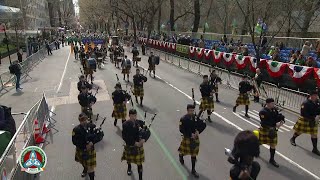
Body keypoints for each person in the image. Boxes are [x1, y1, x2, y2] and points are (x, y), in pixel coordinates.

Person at [290, 90, 320, 156]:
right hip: (305, 119)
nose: (316, 97)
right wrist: (313, 118)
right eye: (314, 95)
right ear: (311, 96)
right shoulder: (305, 103)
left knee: (314, 134)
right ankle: (293, 138)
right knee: (300, 131)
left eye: (316, 95)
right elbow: (303, 113)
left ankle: (315, 149)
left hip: (313, 120)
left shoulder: (317, 102)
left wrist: (318, 115)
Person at [258, 98, 285, 167]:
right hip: (265, 129)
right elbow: (265, 122)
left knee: (273, 145)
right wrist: (276, 125)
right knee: (260, 142)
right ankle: (255, 149)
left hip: (272, 130)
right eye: (272, 103)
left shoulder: (274, 109)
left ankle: (271, 159)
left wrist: (282, 118)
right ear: (268, 104)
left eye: (274, 103)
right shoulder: (263, 112)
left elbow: (276, 117)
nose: (274, 105)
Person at [121, 109, 146, 180]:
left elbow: (147, 132)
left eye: (135, 115)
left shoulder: (139, 122)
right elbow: (125, 137)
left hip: (138, 146)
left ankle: (140, 178)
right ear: (129, 116)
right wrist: (135, 143)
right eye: (132, 115)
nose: (134, 117)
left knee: (139, 163)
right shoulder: (125, 124)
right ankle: (129, 168)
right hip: (130, 145)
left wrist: (144, 139)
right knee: (129, 159)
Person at [178, 104, 201, 178]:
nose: (191, 112)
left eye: (193, 110)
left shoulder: (195, 117)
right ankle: (181, 155)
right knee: (184, 151)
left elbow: (202, 125)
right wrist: (190, 134)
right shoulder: (183, 119)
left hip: (195, 138)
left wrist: (198, 131)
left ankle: (193, 170)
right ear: (187, 110)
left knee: (193, 154)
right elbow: (181, 129)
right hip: (187, 137)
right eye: (190, 110)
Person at [72, 113, 97, 180]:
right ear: (79, 121)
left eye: (84, 120)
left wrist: (92, 142)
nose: (83, 122)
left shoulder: (92, 126)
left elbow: (98, 136)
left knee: (91, 167)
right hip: (81, 150)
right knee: (83, 162)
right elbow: (74, 141)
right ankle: (85, 168)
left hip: (90, 150)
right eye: (81, 121)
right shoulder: (76, 130)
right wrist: (85, 146)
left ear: (87, 119)